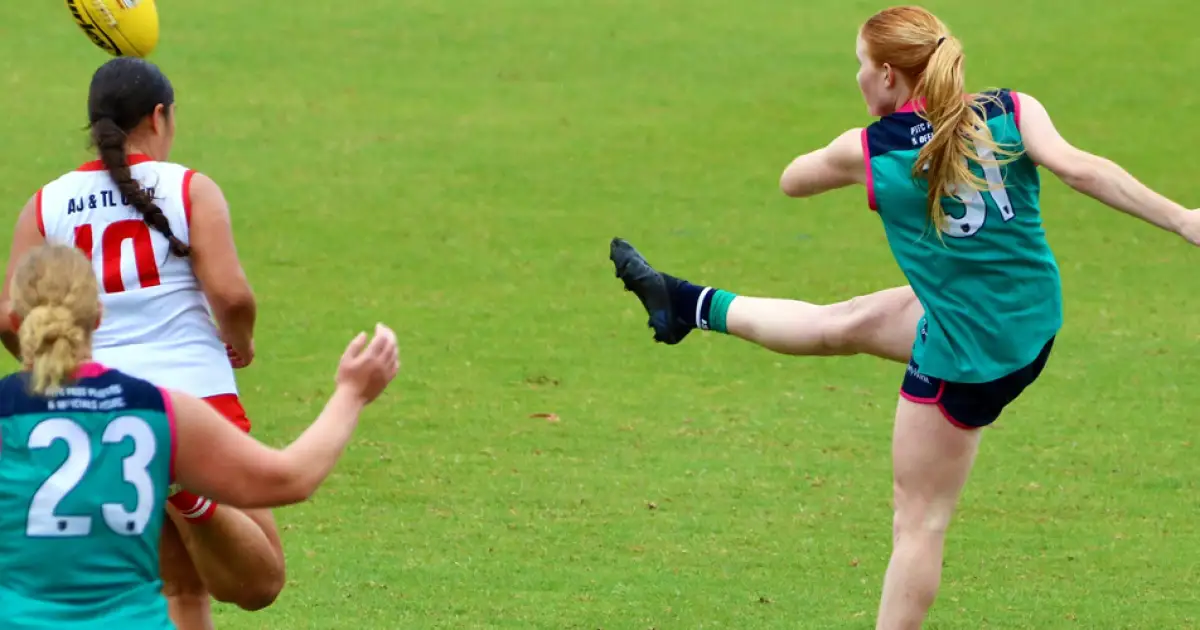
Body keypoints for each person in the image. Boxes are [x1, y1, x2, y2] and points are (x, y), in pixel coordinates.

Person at [610, 5, 1200, 629]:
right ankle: (685, 305)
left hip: (967, 357)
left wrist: (872, 143)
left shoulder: (871, 152)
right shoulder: (1011, 110)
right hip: (1027, 321)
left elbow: (792, 181)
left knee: (918, 522)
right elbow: (1082, 169)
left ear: (889, 75)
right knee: (849, 323)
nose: (858, 78)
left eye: (861, 67)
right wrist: (1185, 219)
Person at [0, 56, 285, 629]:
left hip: (103, 416)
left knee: (178, 587)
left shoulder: (46, 202)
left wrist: (60, 369)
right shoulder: (189, 189)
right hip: (196, 402)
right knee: (262, 575)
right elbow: (231, 296)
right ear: (159, 118)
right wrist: (241, 343)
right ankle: (183, 487)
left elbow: (11, 317)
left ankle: (177, 487)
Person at [0, 244, 400, 629]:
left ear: (16, 321)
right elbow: (291, 477)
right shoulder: (159, 409)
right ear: (99, 316)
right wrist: (352, 393)